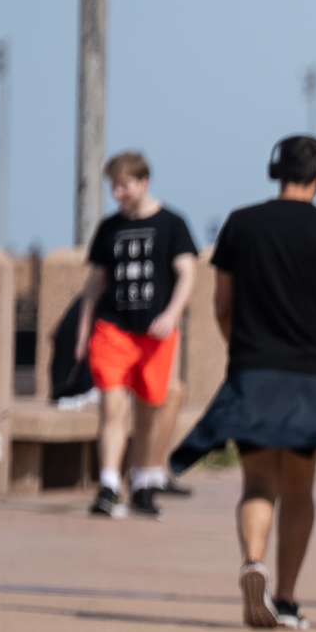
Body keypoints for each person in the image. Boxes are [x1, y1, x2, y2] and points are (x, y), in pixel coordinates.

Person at [168, 135, 316, 631]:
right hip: (312, 378)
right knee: (299, 488)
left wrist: (242, 349)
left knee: (258, 481)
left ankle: (252, 563)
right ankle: (285, 599)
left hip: (254, 373)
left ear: (274, 171)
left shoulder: (241, 224)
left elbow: (222, 304)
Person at [76, 152, 199, 518]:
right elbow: (95, 283)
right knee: (112, 407)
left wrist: (171, 314)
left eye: (124, 185)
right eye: (113, 186)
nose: (118, 193)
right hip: (113, 329)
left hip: (155, 334)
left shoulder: (172, 224)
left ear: (144, 182)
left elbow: (187, 273)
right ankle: (109, 485)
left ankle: (143, 484)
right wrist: (83, 331)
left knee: (149, 411)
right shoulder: (109, 228)